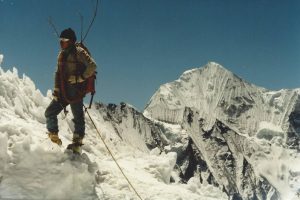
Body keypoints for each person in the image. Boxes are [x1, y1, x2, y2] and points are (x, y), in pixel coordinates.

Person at [45, 28, 97, 153]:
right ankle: (54, 140)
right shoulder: (61, 55)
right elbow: (58, 73)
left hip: (76, 92)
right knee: (49, 113)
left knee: (78, 118)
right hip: (63, 91)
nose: (62, 43)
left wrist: (79, 78)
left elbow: (92, 66)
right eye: (61, 40)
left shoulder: (79, 52)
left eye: (65, 40)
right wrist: (57, 90)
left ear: (72, 41)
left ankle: (77, 145)